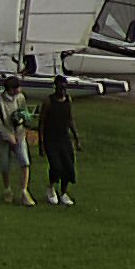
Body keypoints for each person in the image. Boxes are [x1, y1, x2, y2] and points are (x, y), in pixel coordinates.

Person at [0, 74, 35, 206]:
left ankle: (24, 191)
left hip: (19, 134)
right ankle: (7, 189)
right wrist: (8, 136)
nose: (20, 89)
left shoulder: (20, 97)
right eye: (18, 87)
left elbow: (23, 111)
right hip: (4, 137)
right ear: (11, 89)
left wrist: (25, 117)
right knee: (5, 165)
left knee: (25, 162)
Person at [40, 75, 82, 206]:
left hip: (64, 138)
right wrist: (41, 144)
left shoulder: (68, 100)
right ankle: (51, 188)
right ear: (55, 88)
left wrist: (76, 138)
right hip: (51, 139)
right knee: (56, 166)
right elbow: (41, 123)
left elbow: (70, 120)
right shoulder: (48, 102)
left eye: (64, 88)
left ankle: (63, 192)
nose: (62, 91)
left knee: (68, 166)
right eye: (60, 88)